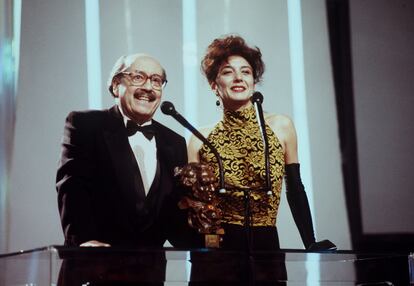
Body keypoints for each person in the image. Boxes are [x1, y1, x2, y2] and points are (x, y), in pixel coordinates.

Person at [188, 35, 334, 252]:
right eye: (228, 72)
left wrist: (310, 243)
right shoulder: (200, 138)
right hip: (217, 250)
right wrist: (208, 252)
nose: (238, 77)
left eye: (245, 72)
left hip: (266, 244)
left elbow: (295, 188)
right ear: (214, 86)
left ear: (254, 82)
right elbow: (199, 208)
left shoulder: (280, 126)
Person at [56, 53, 200, 249]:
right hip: (93, 261)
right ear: (116, 85)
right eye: (138, 77)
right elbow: (72, 187)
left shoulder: (174, 142)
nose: (148, 87)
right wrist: (84, 240)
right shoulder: (86, 125)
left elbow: (173, 211)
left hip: (150, 271)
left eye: (156, 81)